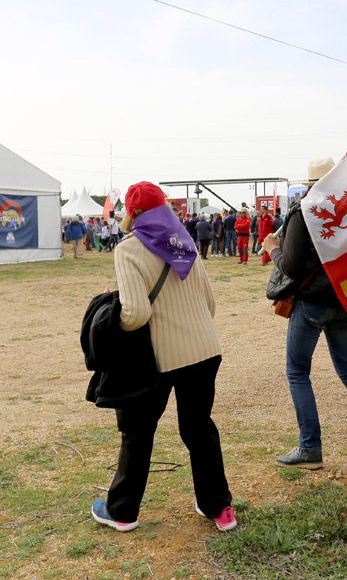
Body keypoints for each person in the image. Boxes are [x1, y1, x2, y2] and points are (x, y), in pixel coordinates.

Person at [90, 181, 236, 534]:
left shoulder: (129, 249)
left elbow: (136, 313)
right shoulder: (183, 241)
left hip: (157, 357)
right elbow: (210, 303)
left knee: (138, 433)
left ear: (131, 212)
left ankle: (122, 512)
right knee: (199, 429)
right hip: (204, 349)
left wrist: (114, 316)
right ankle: (218, 508)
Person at [262, 158, 347, 469]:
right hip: (343, 299)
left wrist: (272, 248)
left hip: (312, 302)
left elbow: (291, 266)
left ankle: (310, 447)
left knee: (298, 372)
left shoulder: (304, 211)